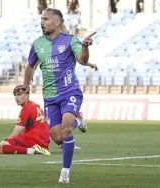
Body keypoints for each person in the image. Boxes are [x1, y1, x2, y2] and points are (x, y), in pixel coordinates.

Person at [22, 8, 96, 183]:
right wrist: (26, 84)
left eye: (46, 19)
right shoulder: (38, 44)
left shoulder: (70, 41)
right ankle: (79, 120)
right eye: (41, 19)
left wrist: (85, 47)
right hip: (50, 96)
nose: (42, 22)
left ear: (57, 22)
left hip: (70, 92)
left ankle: (65, 173)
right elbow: (30, 66)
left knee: (67, 128)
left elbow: (82, 60)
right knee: (57, 137)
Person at [0, 85, 50, 155]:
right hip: (44, 141)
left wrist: (2, 143)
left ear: (27, 95)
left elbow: (15, 134)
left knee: (3, 147)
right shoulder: (35, 105)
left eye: (19, 94)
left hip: (35, 138)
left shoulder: (26, 109)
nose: (16, 98)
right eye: (15, 95)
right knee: (12, 144)